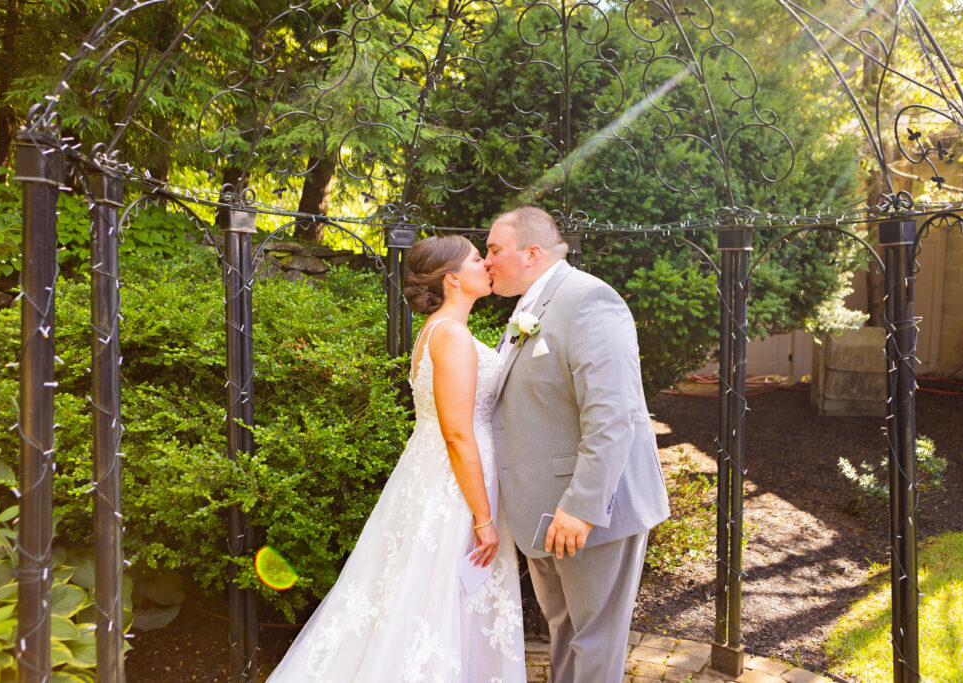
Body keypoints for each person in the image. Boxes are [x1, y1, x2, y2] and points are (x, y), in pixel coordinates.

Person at [268, 235, 525, 682]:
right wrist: (484, 517)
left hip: (437, 474)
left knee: (426, 594)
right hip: (456, 484)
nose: (485, 263)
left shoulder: (438, 331)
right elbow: (458, 433)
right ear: (452, 279)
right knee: (440, 594)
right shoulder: (452, 336)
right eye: (475, 259)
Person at [485, 206, 671, 683]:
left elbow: (612, 415)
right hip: (545, 514)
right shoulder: (527, 308)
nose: (486, 261)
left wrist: (583, 507)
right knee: (565, 633)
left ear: (532, 253)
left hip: (590, 513)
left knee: (593, 644)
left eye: (493, 249)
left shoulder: (589, 299)